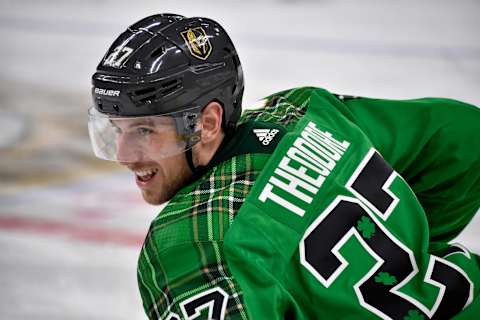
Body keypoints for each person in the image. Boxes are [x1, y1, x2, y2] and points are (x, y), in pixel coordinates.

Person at [87, 13, 480, 320]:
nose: (123, 153)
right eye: (117, 130)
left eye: (143, 129)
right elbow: (464, 138)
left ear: (206, 124)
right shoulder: (304, 112)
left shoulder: (190, 241)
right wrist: (406, 250)